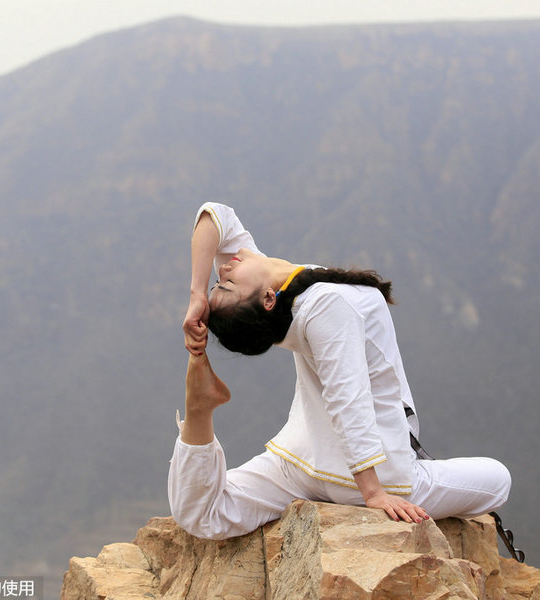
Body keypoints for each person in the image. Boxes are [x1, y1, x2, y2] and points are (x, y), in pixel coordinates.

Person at [169, 202, 511, 540]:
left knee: (205, 514)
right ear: (267, 298)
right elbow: (348, 399)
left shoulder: (290, 294)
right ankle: (201, 406)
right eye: (224, 284)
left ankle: (199, 410)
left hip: (298, 464)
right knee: (498, 479)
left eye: (219, 281)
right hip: (358, 479)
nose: (223, 269)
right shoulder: (324, 305)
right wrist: (374, 493)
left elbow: (214, 215)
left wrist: (198, 293)